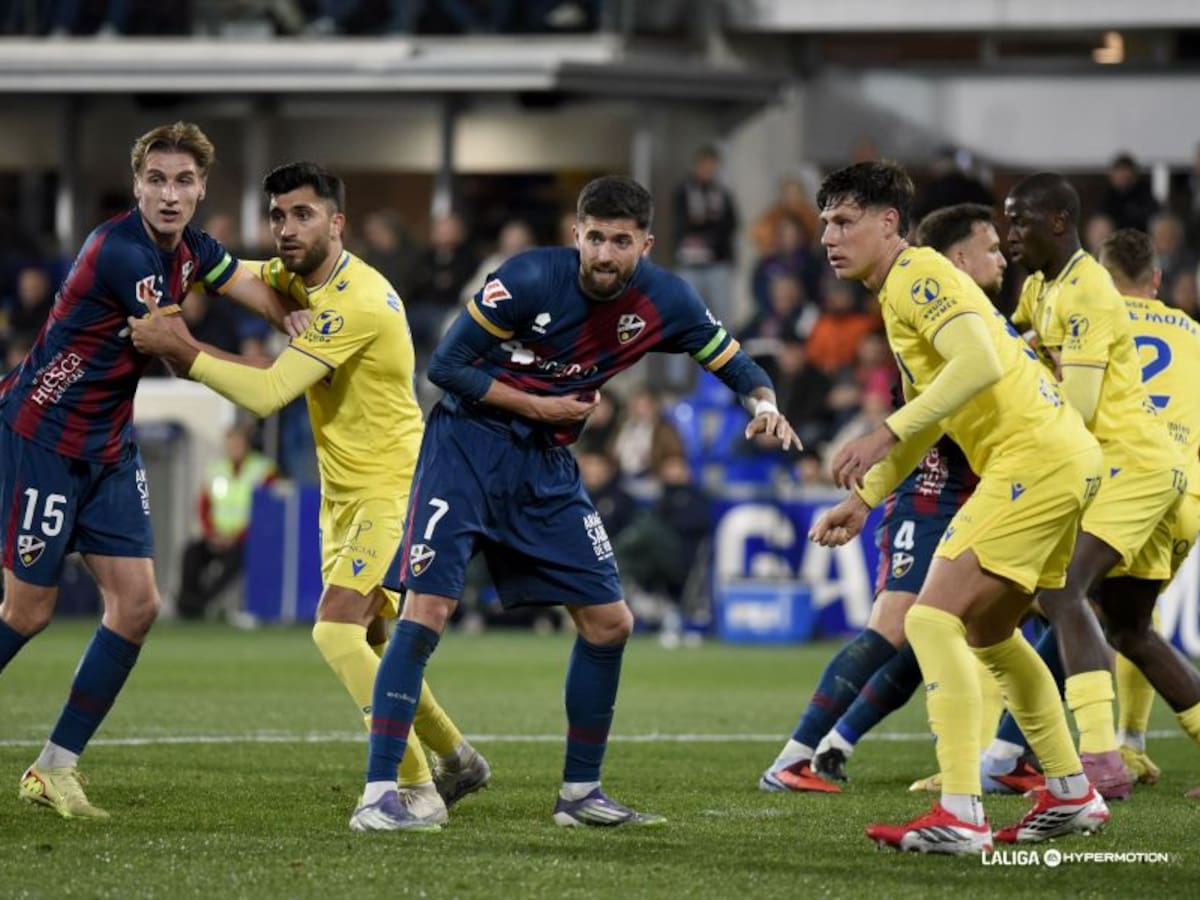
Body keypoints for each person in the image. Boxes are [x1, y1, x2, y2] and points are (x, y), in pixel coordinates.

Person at [349, 174, 799, 832]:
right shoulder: (527, 278)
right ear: (575, 235)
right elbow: (444, 366)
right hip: (466, 451)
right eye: (595, 238)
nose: (605, 254)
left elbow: (734, 362)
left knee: (610, 623)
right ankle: (380, 795)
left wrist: (764, 404)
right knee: (426, 612)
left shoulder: (666, 298)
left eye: (621, 241)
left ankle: (579, 795)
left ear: (645, 243)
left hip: (546, 470)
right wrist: (539, 403)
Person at [128, 161, 486, 829]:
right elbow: (228, 270)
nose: (286, 229)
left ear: (337, 223)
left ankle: (413, 789)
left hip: (395, 488)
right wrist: (168, 231)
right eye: (277, 216)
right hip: (344, 493)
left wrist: (184, 347)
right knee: (375, 639)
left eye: (302, 215)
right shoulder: (293, 277)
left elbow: (268, 393)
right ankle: (457, 757)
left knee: (335, 628)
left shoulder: (357, 300)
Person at [0, 121, 297, 819]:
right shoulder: (120, 249)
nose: (170, 194)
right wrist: (276, 376)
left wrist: (307, 322)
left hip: (108, 445)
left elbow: (251, 289)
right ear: (137, 186)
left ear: (200, 190)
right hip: (43, 435)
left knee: (137, 606)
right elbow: (170, 343)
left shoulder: (193, 249)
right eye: (157, 180)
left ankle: (54, 768)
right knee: (27, 611)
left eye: (184, 181)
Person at [809, 160, 1107, 855]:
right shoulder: (900, 290)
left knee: (931, 618)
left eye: (845, 220)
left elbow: (980, 364)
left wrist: (883, 430)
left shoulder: (918, 276)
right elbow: (937, 416)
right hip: (1059, 457)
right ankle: (1071, 793)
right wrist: (867, 498)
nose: (829, 235)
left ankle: (960, 811)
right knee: (991, 635)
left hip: (1033, 457)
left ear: (890, 224)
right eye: (825, 222)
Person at [761, 203, 998, 793]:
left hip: (987, 488)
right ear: (960, 258)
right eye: (991, 247)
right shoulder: (926, 305)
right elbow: (927, 419)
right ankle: (795, 753)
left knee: (967, 628)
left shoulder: (984, 312)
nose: (1003, 257)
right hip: (933, 484)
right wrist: (869, 491)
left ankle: (841, 743)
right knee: (900, 625)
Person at [1006, 173, 1186, 799]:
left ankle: (1101, 762)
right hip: (1136, 467)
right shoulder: (1039, 288)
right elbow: (1017, 340)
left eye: (1019, 223)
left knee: (1060, 591)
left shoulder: (1088, 292)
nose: (1009, 236)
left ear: (1058, 222)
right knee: (1130, 629)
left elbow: (1077, 407)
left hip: (1129, 466)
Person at [1096, 229, 1200, 789]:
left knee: (1037, 602)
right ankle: (1128, 745)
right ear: (1156, 280)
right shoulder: (1197, 337)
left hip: (1119, 488)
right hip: (1184, 496)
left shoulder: (1096, 326)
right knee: (1134, 622)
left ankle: (1002, 757)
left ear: (1101, 279)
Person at [176, 423, 276, 620]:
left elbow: (267, 512)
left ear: (247, 445)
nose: (234, 449)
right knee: (191, 552)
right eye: (230, 444)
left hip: (246, 539)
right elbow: (204, 506)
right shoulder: (216, 469)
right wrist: (212, 533)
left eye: (238, 444)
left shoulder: (264, 470)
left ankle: (202, 604)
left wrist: (237, 536)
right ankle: (186, 605)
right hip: (216, 536)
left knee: (236, 559)